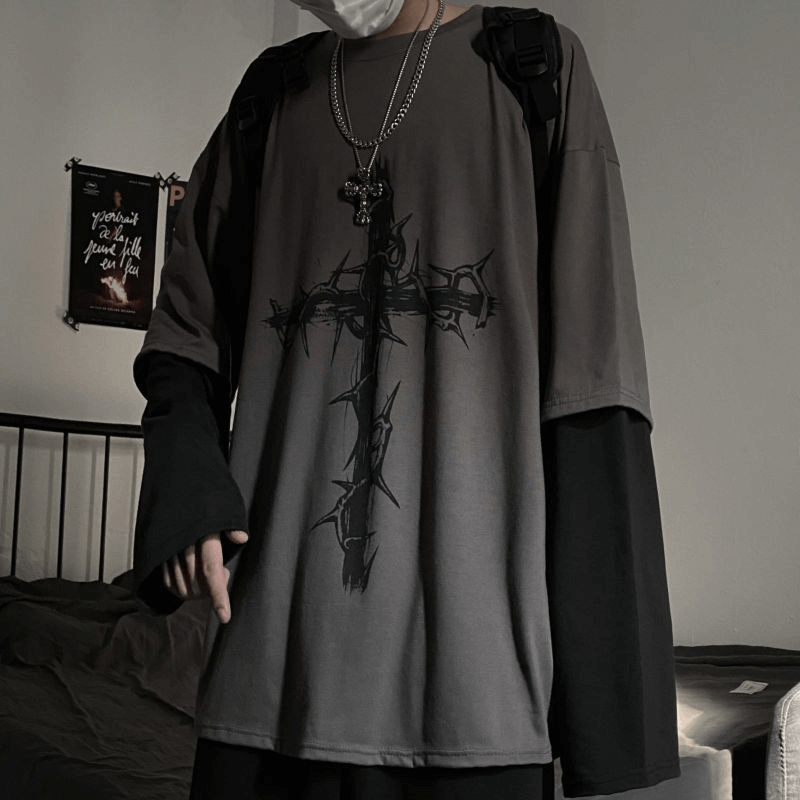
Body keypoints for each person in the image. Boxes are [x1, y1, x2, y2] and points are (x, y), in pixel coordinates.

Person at [133, 1, 680, 798]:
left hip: (473, 693)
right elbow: (188, 326)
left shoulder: (532, 67)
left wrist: (607, 705)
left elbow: (595, 374)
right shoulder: (270, 97)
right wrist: (188, 481)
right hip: (269, 674)